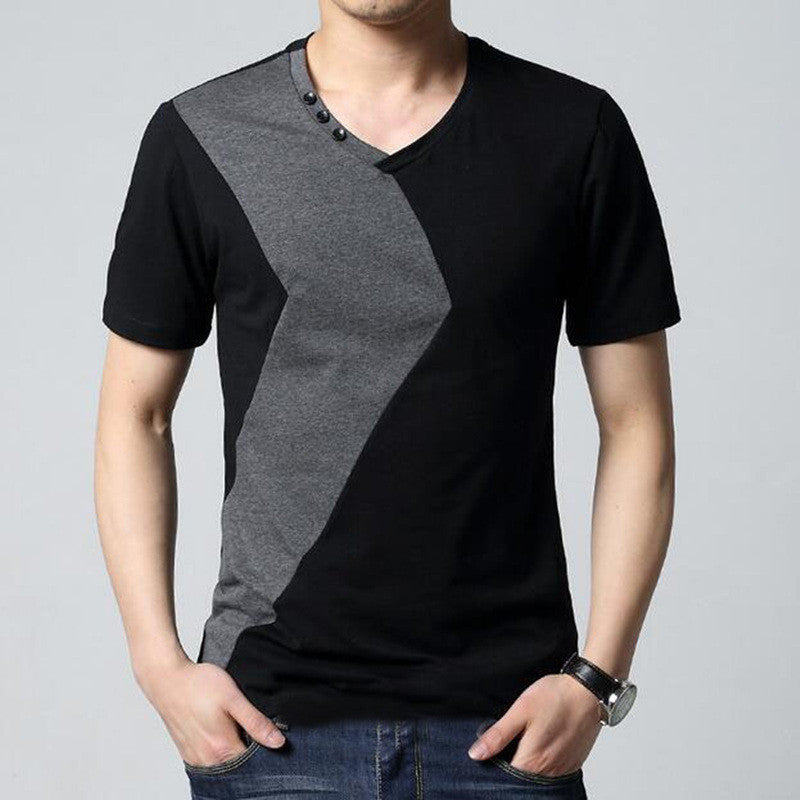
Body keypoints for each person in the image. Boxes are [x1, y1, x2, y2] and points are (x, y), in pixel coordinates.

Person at [95, 1, 679, 797]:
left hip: (509, 726)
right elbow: (137, 415)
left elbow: (636, 422)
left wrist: (597, 678)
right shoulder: (200, 135)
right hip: (271, 731)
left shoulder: (574, 130)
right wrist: (157, 666)